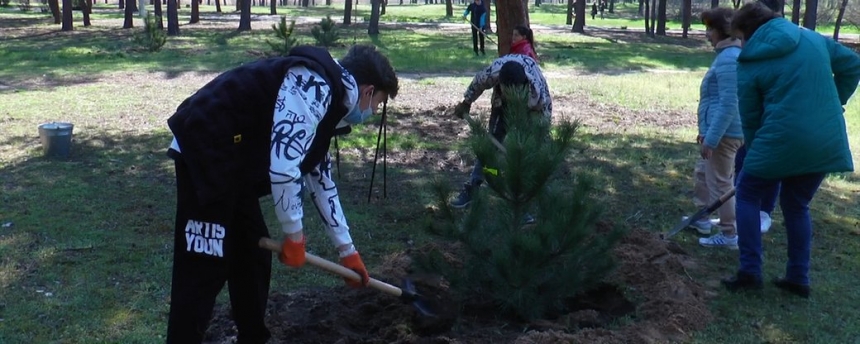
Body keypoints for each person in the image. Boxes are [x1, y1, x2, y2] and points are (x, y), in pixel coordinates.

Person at [164, 44, 399, 343]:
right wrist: (294, 234)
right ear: (367, 91)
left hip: (233, 160)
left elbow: (320, 178)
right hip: (207, 146)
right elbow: (285, 167)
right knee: (205, 260)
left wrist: (347, 250)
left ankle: (253, 337)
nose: (372, 112)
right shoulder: (313, 85)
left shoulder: (329, 101)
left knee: (251, 255)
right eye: (377, 105)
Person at [721, 2, 860, 298]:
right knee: (797, 205)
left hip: (778, 140)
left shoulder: (749, 60)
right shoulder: (812, 38)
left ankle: (750, 272)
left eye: (740, 36)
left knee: (746, 193)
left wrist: (756, 151)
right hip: (824, 141)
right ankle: (798, 278)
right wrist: (835, 103)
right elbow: (853, 65)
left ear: (748, 31)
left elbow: (751, 115)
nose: (741, 42)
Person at [450, 54, 552, 210]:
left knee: (530, 151)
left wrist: (534, 145)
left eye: (513, 92)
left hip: (530, 109)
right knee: (490, 147)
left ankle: (529, 197)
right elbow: (478, 83)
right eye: (507, 91)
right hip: (501, 104)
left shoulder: (537, 93)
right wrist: (466, 102)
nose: (511, 96)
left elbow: (542, 124)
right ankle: (475, 186)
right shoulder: (494, 72)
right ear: (500, 83)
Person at [683, 7, 744, 249]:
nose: (707, 34)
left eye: (710, 29)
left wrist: (712, 138)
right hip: (717, 131)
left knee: (722, 183)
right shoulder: (726, 56)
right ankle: (703, 219)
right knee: (703, 174)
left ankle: (729, 235)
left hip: (725, 135)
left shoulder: (730, 59)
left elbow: (729, 103)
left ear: (723, 31)